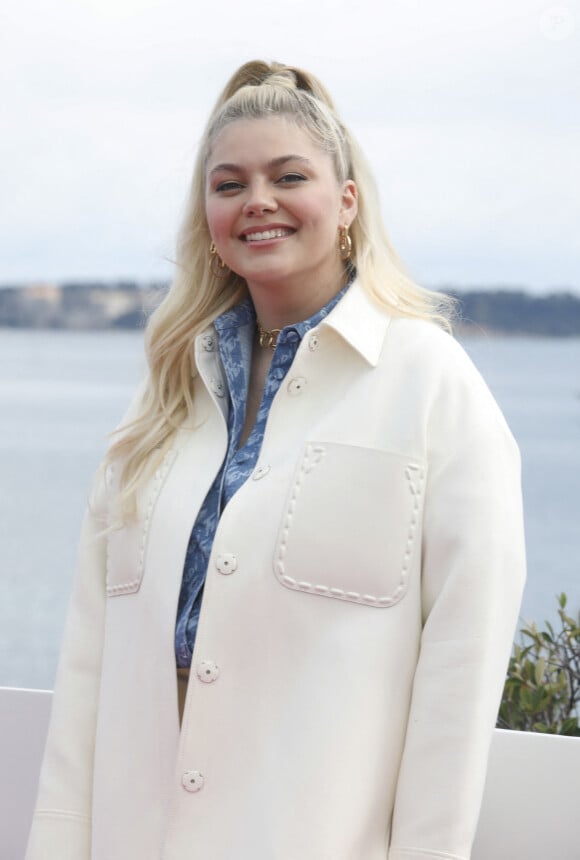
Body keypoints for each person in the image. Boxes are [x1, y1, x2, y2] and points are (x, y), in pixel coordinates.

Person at [26, 60, 526, 860]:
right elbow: (92, 653)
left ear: (348, 202)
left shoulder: (431, 386)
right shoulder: (164, 399)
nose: (257, 199)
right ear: (209, 218)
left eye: (288, 176)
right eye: (229, 184)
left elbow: (459, 676)